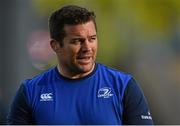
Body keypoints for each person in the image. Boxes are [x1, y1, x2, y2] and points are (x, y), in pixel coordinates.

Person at [7, 5, 153, 125]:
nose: (87, 48)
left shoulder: (123, 86)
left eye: (92, 39)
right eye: (77, 41)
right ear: (55, 45)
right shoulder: (30, 92)